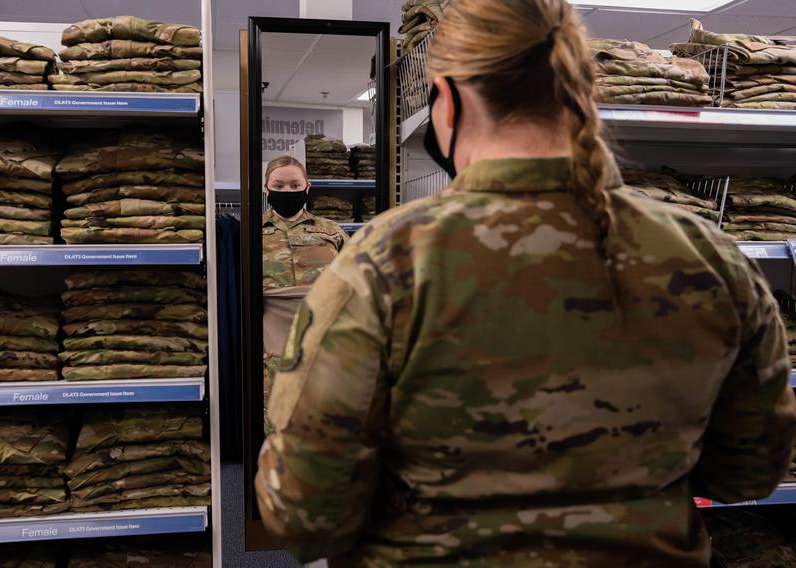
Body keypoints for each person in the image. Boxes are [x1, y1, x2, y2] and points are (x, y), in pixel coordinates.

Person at [255, 0, 796, 566]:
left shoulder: (384, 263)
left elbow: (304, 514)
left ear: (451, 100)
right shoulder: (710, 257)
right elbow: (750, 471)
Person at [261, 156, 348, 432]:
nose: (287, 191)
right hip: (270, 347)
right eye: (279, 185)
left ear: (307, 187)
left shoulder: (332, 232)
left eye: (295, 184)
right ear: (266, 188)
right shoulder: (250, 232)